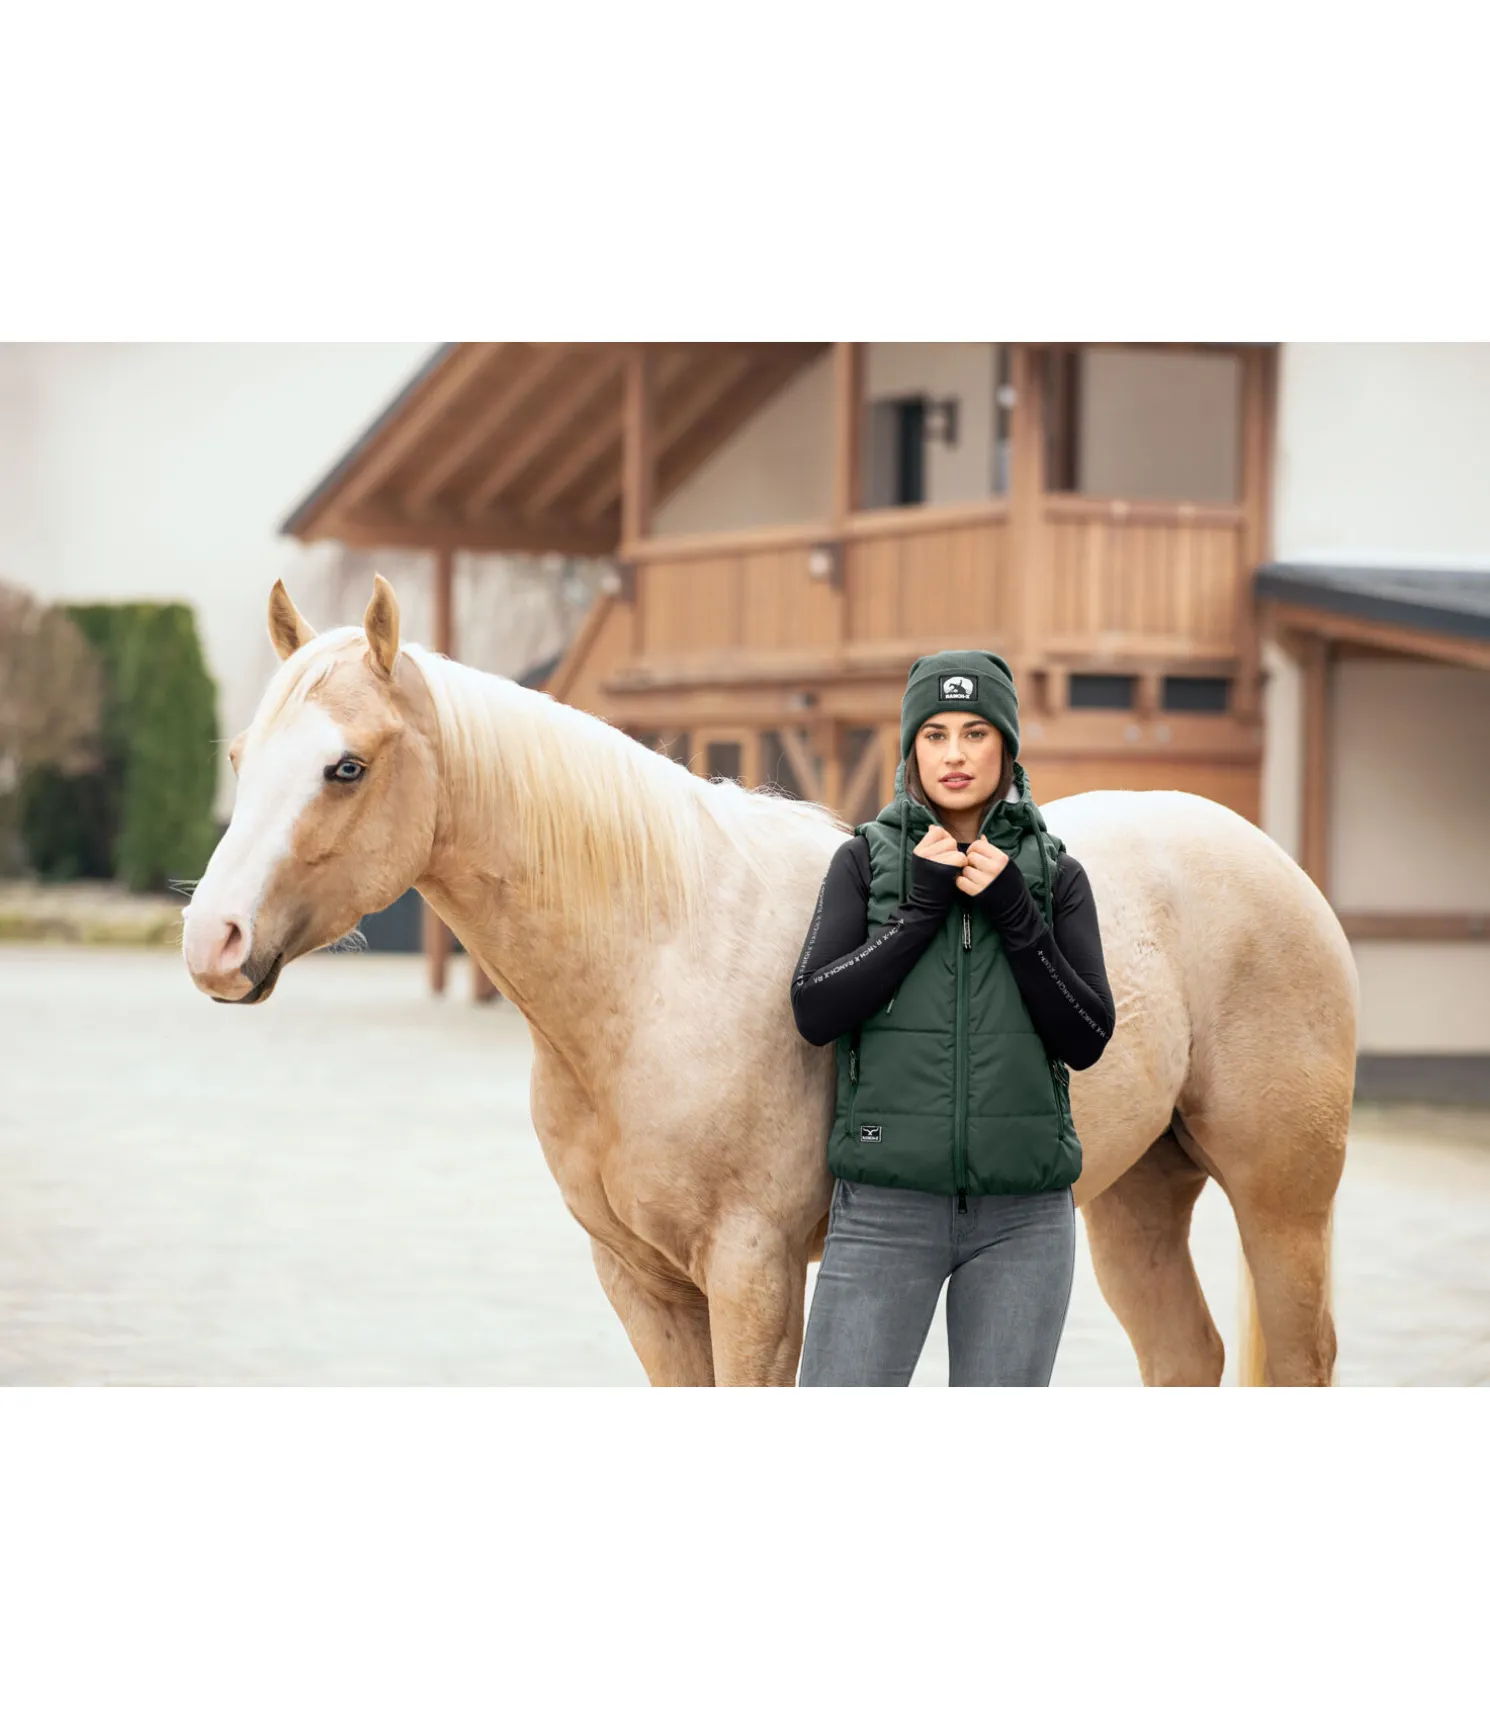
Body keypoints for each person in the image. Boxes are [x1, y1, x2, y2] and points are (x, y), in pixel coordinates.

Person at [791, 650, 1116, 1386]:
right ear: (912, 750)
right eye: (934, 735)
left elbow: (1086, 1036)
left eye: (975, 732)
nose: (955, 755)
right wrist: (918, 913)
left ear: (1006, 746)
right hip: (883, 1210)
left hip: (1025, 1221)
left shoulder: (1056, 875)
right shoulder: (863, 863)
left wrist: (1015, 913)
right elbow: (814, 1009)